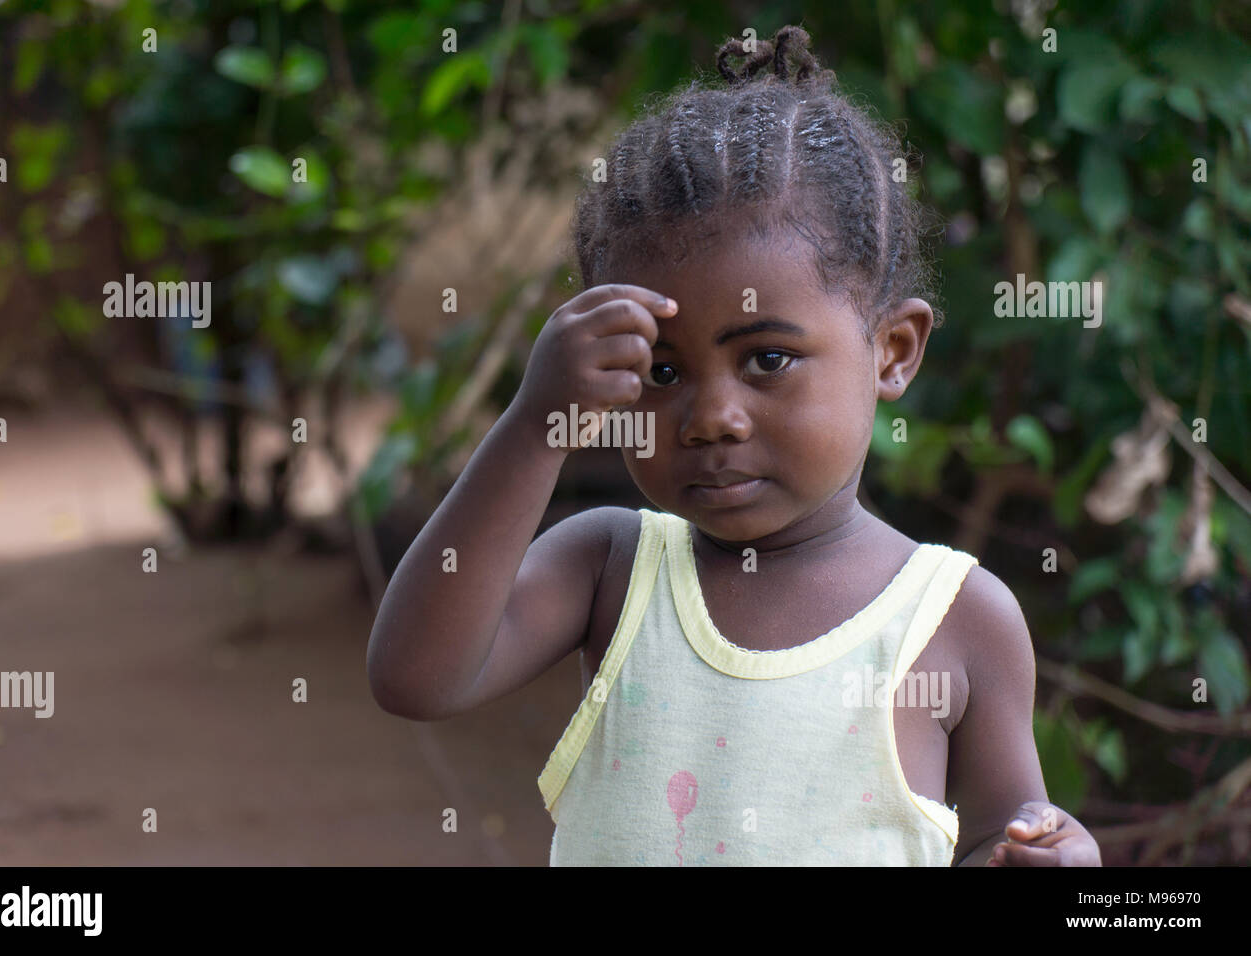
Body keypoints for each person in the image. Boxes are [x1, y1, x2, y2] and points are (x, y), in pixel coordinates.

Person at [367, 25, 1101, 867]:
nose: (712, 416)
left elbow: (999, 835)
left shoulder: (958, 618)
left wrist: (1045, 856)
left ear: (893, 350)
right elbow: (415, 679)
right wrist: (536, 424)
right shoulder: (610, 570)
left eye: (768, 359)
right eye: (663, 370)